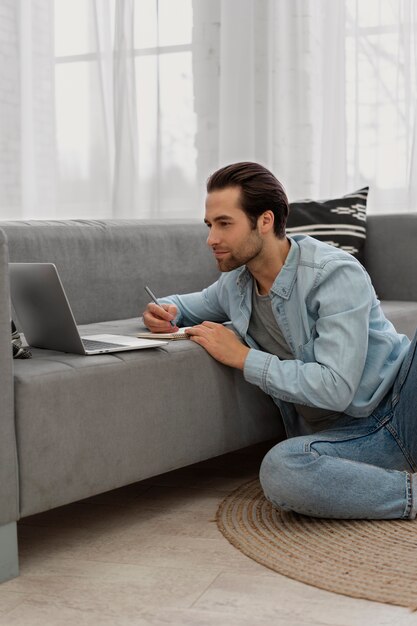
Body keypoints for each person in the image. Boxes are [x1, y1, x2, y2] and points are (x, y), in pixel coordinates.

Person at [142, 161, 417, 520]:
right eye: (210, 225)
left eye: (225, 224)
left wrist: (243, 357)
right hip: (349, 437)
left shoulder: (333, 274)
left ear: (265, 221)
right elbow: (182, 306)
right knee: (281, 469)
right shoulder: (235, 284)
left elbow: (336, 388)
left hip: (402, 404)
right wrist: (161, 311)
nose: (212, 239)